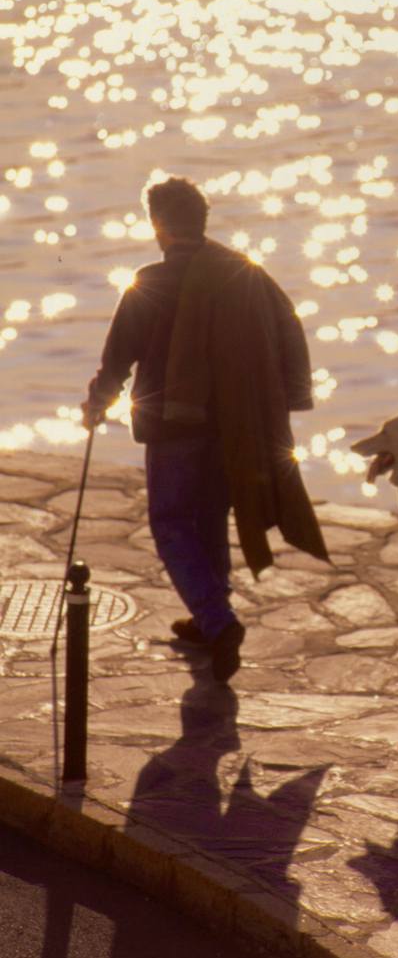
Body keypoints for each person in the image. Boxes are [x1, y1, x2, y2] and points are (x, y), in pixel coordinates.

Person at [82, 176, 328, 683]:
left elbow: (116, 362)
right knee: (212, 517)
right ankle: (208, 615)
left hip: (175, 427)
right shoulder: (242, 275)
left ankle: (218, 621)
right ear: (201, 223)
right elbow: (287, 330)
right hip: (235, 425)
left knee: (172, 523)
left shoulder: (148, 283)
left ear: (159, 227)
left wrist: (96, 406)